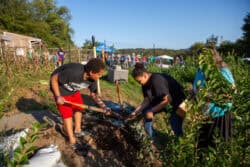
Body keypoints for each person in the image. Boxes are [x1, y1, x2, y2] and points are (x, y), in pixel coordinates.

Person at [50, 58, 111, 150]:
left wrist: (104, 107)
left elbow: (94, 95)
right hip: (60, 89)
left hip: (73, 90)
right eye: (99, 74)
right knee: (67, 115)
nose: (100, 76)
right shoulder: (73, 73)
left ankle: (77, 130)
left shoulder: (93, 80)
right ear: (91, 72)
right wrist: (58, 96)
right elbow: (54, 79)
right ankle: (71, 140)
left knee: (79, 107)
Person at [192, 47, 236, 149]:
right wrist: (193, 92)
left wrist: (208, 96)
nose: (199, 60)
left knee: (218, 146)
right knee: (201, 146)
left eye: (201, 57)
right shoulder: (200, 70)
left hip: (219, 115)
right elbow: (197, 87)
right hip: (204, 114)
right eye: (198, 58)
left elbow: (231, 94)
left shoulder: (222, 71)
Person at [129, 63, 187, 138]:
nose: (140, 84)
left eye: (139, 81)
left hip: (177, 101)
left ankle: (180, 144)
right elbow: (146, 100)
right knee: (146, 111)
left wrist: (151, 111)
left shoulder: (156, 80)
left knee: (174, 122)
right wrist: (135, 112)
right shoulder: (145, 84)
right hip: (162, 99)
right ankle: (151, 137)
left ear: (145, 75)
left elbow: (167, 100)